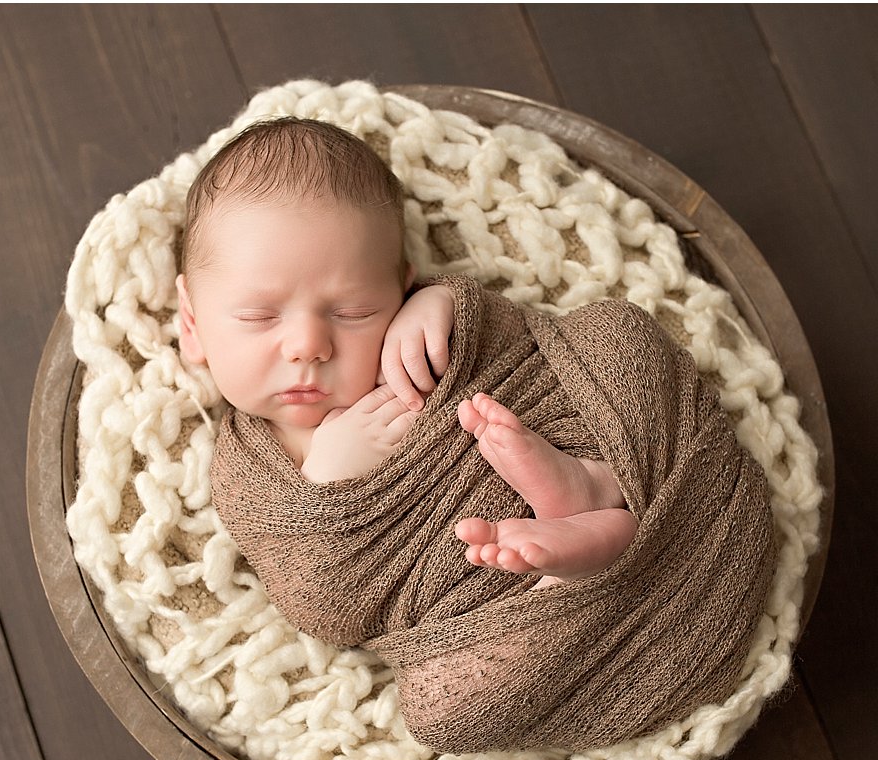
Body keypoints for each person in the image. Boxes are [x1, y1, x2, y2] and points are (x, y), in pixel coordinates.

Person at [174, 116, 637, 590]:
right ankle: (573, 564)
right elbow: (311, 595)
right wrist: (324, 489)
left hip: (562, 457)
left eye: (353, 312)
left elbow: (525, 353)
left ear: (399, 291)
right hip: (468, 588)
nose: (308, 346)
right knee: (472, 662)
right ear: (192, 325)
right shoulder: (242, 472)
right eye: (259, 317)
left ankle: (589, 486)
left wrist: (446, 304)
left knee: (619, 334)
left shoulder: (411, 340)